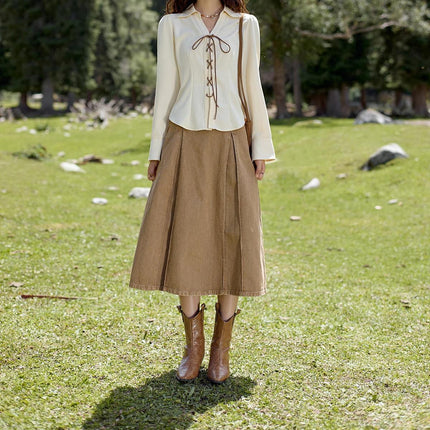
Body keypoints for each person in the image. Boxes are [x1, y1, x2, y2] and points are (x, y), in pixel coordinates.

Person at [129, 0, 276, 384]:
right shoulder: (171, 25)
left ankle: (220, 349)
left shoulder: (246, 25)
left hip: (232, 140)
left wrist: (260, 146)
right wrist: (156, 150)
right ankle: (193, 346)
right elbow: (167, 89)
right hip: (183, 140)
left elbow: (251, 86)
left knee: (234, 235)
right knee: (187, 237)